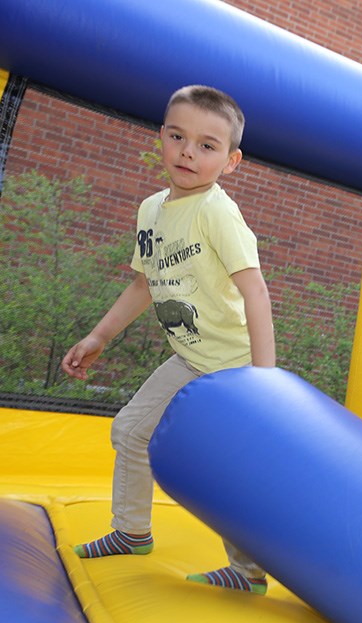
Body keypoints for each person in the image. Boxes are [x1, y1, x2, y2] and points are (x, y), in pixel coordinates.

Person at [61, 85, 276, 595]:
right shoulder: (152, 210)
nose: (187, 152)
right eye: (178, 136)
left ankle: (248, 572)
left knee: (229, 467)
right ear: (161, 137)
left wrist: (265, 382)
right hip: (190, 357)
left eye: (207, 145)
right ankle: (132, 531)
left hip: (234, 366)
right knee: (132, 431)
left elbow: (256, 293)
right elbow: (143, 283)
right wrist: (99, 336)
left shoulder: (217, 213)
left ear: (231, 161)